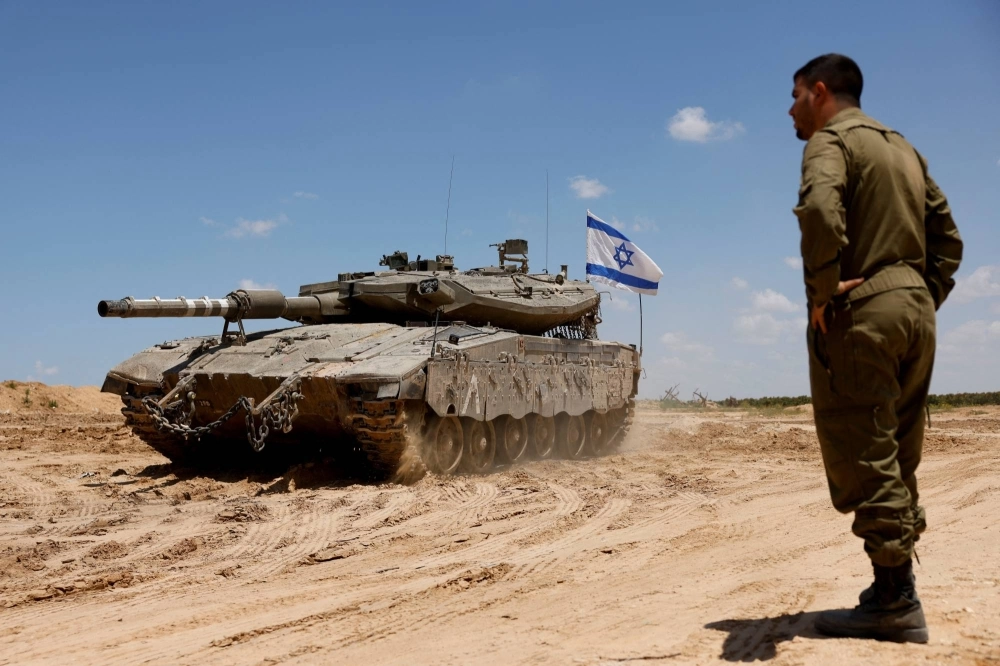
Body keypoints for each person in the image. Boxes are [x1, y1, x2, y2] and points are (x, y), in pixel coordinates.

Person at [788, 53, 963, 643]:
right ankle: (892, 587)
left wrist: (820, 291)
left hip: (865, 311)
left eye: (794, 97)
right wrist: (917, 292)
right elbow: (947, 235)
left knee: (866, 448)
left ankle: (893, 602)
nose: (790, 111)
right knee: (896, 453)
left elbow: (818, 208)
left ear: (819, 92)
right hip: (915, 308)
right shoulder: (902, 148)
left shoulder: (831, 142)